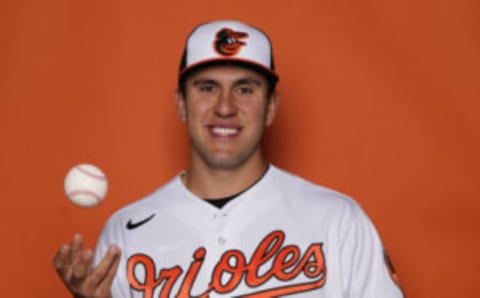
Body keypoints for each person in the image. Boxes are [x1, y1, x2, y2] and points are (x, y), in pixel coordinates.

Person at [53, 20, 404, 297]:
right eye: (207, 87)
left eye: (244, 88)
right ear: (181, 104)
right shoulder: (125, 232)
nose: (224, 107)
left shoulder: (337, 220)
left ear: (270, 107)